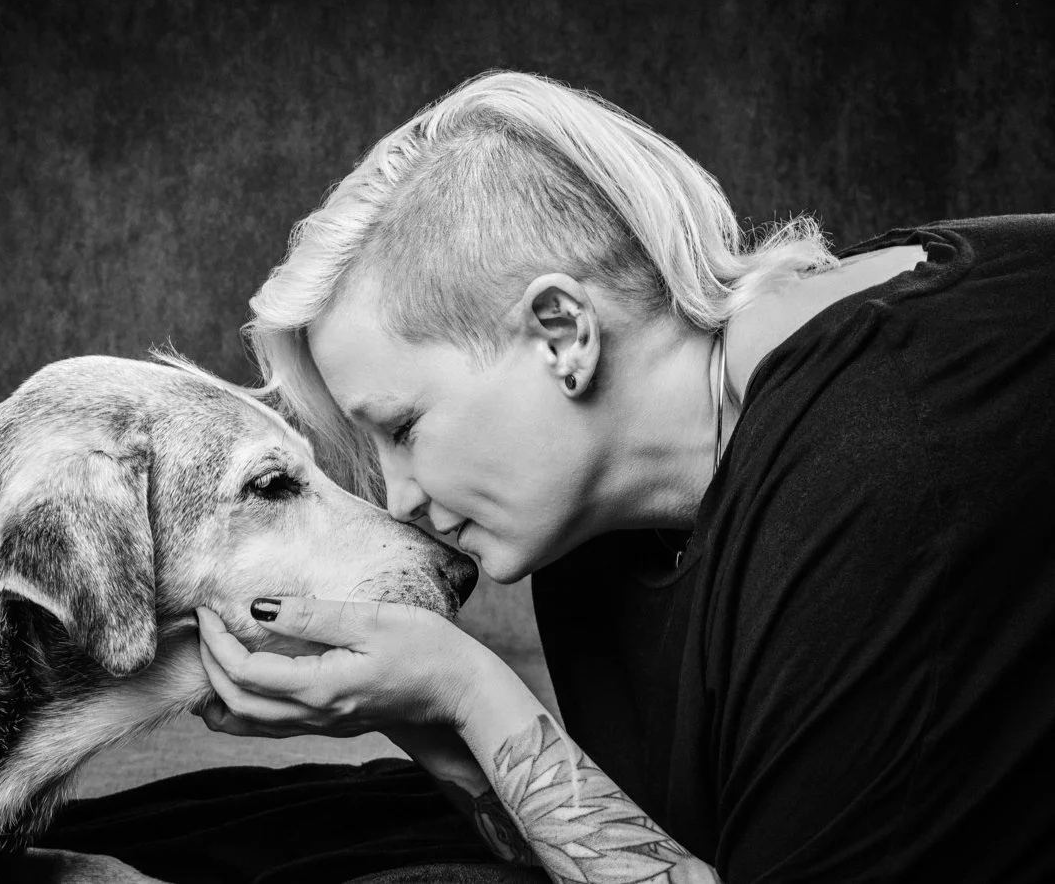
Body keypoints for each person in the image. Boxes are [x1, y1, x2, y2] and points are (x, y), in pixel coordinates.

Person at [70, 70, 1055, 883]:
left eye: (404, 427)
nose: (398, 499)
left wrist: (467, 688)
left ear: (562, 333)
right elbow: (643, 849)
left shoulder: (881, 472)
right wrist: (416, 712)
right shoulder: (596, 524)